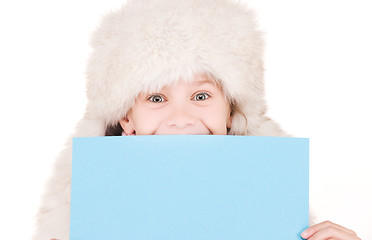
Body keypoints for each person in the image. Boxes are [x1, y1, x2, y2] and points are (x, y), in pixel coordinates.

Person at [32, 0, 360, 239]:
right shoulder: (81, 222)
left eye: (201, 97)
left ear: (231, 112)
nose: (181, 119)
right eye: (156, 98)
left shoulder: (276, 215)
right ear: (126, 119)